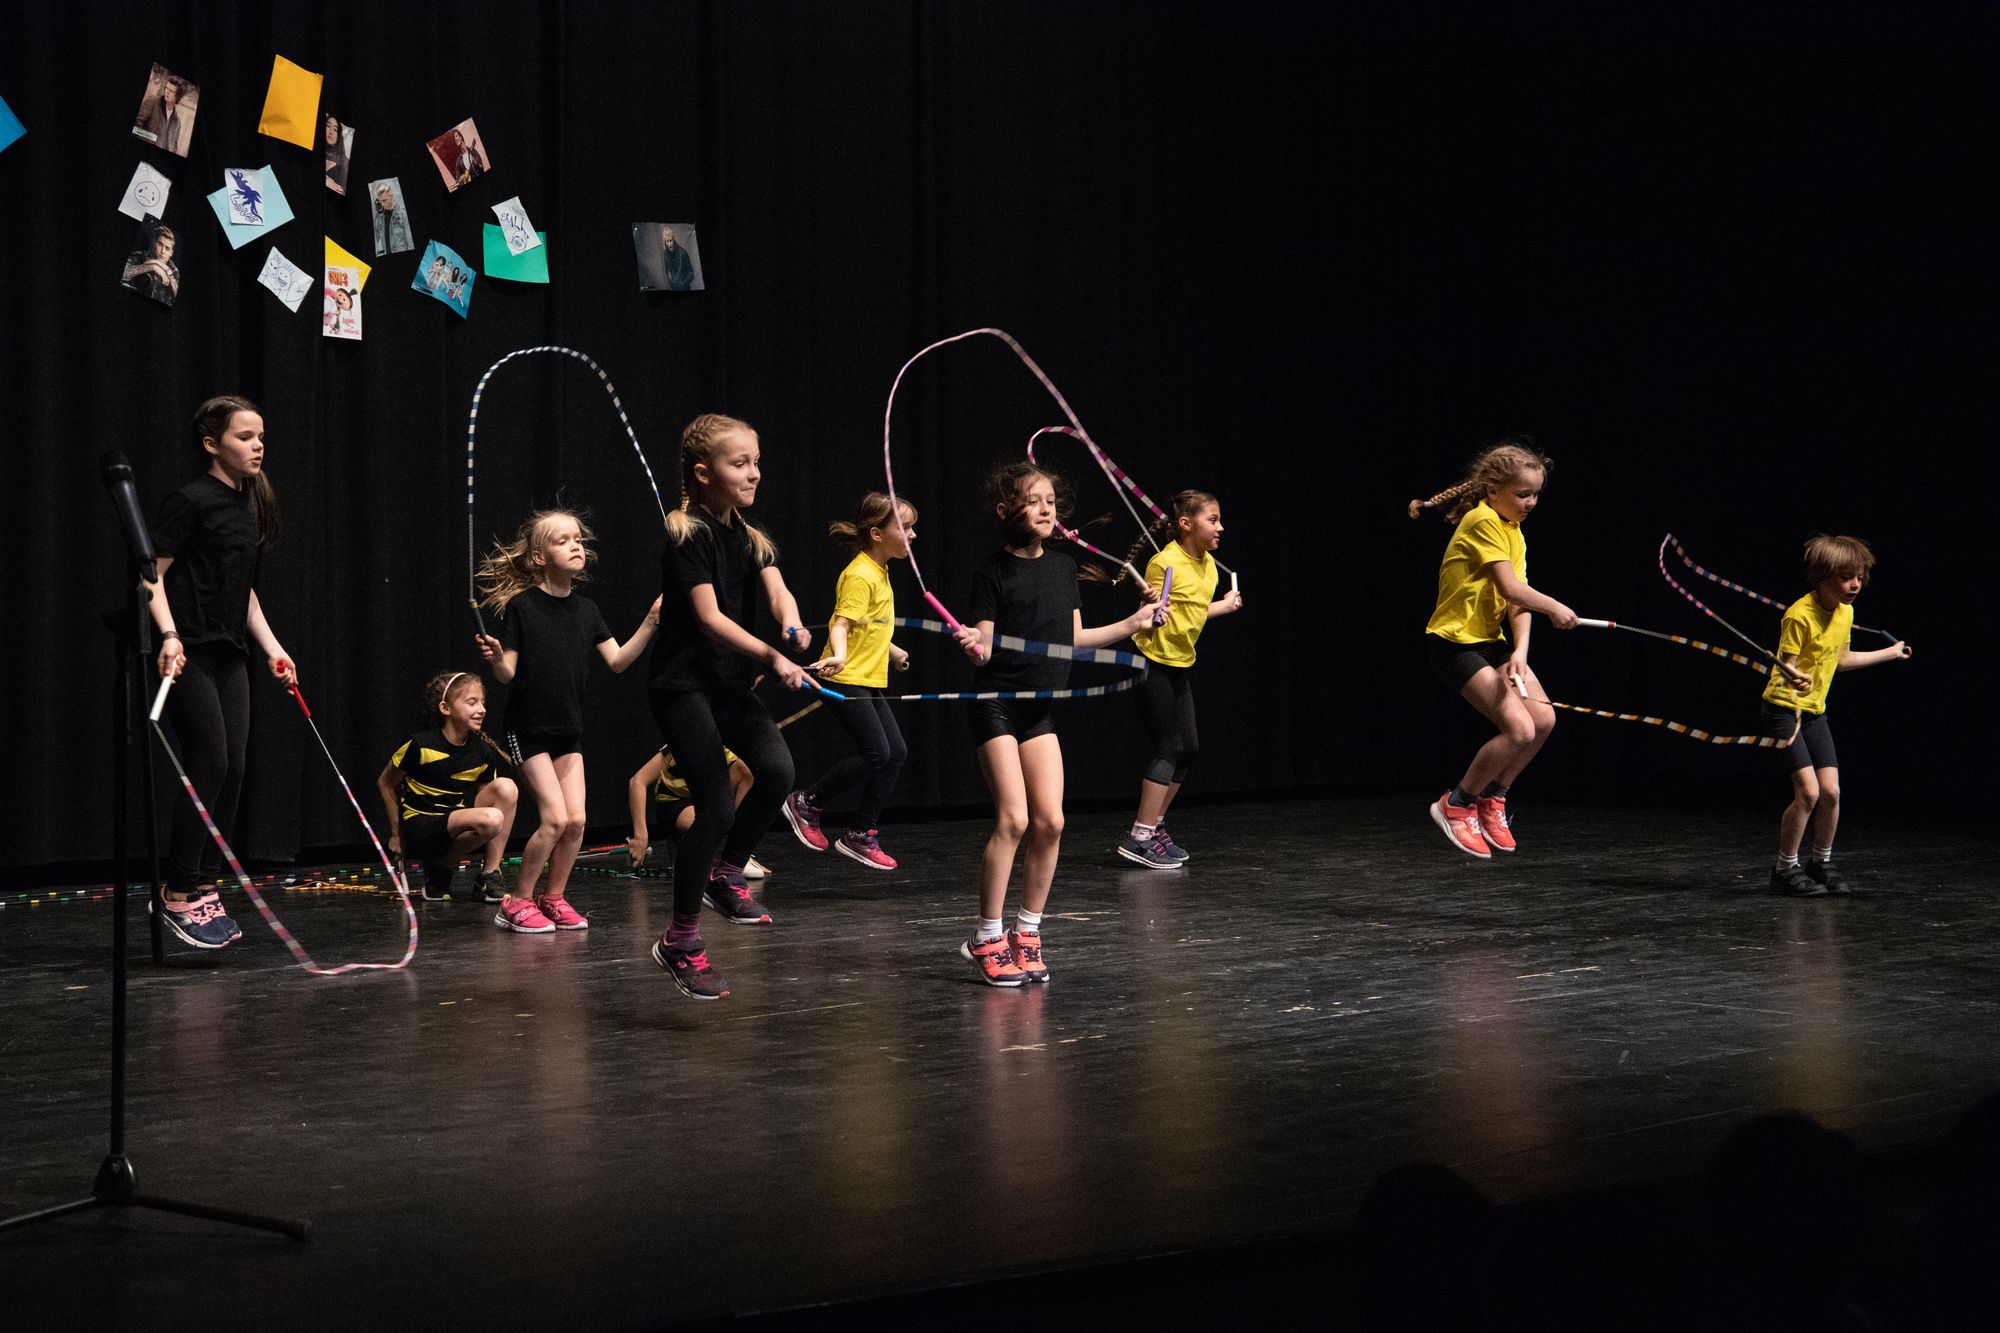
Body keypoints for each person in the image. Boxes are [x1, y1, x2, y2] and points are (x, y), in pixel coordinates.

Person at [954, 462, 1156, 985]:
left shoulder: (1063, 568)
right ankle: (986, 936)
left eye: (1050, 501)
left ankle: (1027, 932)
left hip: (1038, 708)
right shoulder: (992, 573)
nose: (1046, 509)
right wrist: (974, 645)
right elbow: (984, 650)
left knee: (1051, 822)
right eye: (1033, 501)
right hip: (997, 702)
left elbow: (1074, 640)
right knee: (1014, 820)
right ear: (1006, 510)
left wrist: (1134, 623)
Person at [646, 413, 812, 1000]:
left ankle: (726, 871)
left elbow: (778, 590)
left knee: (778, 771)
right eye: (739, 464)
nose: (754, 473)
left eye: (756, 462)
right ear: (703, 473)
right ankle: (681, 940)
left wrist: (791, 624)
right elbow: (709, 618)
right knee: (714, 807)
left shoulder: (750, 536)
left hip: (727, 686)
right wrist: (771, 655)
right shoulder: (686, 536)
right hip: (682, 687)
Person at [148, 395, 296, 948]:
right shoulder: (190, 501)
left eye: (261, 437)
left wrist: (273, 649)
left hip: (230, 652)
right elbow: (150, 576)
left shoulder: (249, 505)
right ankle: (177, 890)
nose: (258, 447)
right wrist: (169, 635)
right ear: (212, 444)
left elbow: (245, 591)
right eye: (244, 437)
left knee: (233, 769)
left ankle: (205, 886)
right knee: (208, 762)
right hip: (188, 652)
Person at [474, 511, 659, 934]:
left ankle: (553, 898)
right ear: (539, 557)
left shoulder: (587, 610)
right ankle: (517, 902)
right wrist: (497, 659)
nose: (575, 545)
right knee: (555, 819)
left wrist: (651, 621)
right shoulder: (522, 607)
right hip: (528, 731)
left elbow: (617, 661)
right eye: (563, 540)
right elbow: (507, 674)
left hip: (567, 732)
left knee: (576, 821)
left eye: (578, 539)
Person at [1410, 438, 1578, 859]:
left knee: (1543, 719)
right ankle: (1457, 803)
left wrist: (1520, 652)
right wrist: (1555, 606)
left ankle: (1494, 797)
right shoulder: (1482, 521)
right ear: (1493, 491)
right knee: (1519, 730)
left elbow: (1516, 600)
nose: (1531, 502)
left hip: (1491, 642)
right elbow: (1510, 586)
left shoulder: (1513, 533)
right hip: (1455, 643)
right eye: (1523, 494)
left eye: (1536, 494)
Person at [1758, 535, 1912, 896]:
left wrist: (1890, 653)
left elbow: (1843, 660)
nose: (1855, 585)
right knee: (1808, 792)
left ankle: (1820, 862)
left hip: (1815, 713)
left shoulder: (1846, 612)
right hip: (1783, 711)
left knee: (1831, 791)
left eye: (1859, 577)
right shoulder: (1799, 615)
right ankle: (1784, 869)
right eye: (1846, 577)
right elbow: (1784, 668)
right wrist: (1793, 677)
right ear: (1822, 576)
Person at [1110, 489, 1244, 869]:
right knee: (1169, 747)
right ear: (1186, 524)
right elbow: (1151, 613)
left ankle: (1153, 827)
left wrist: (1223, 606)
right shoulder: (1164, 563)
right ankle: (1138, 837)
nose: (1220, 527)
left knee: (1190, 749)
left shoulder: (1209, 566)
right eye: (1212, 520)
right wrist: (1151, 605)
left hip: (1179, 663)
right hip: (1149, 661)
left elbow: (1192, 611)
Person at [783, 493, 915, 870]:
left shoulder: (879, 572)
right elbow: (840, 624)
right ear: (877, 533)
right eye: (905, 527)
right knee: (877, 753)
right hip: (845, 676)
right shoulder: (860, 575)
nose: (912, 535)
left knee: (896, 753)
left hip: (866, 676)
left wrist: (893, 650)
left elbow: (866, 627)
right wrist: (839, 655)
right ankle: (806, 802)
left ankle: (861, 832)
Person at [376, 672, 518, 903]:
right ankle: (441, 864)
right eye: (472, 702)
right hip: (422, 826)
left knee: (507, 788)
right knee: (492, 819)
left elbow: (486, 800)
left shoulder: (482, 751)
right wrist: (396, 834)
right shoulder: (420, 745)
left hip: (454, 822)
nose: (481, 709)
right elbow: (386, 782)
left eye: (482, 702)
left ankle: (488, 874)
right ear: (446, 708)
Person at [626, 742, 767, 879]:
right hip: (675, 803)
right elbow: (637, 781)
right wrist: (640, 837)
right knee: (709, 824)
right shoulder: (677, 746)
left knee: (746, 769)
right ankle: (682, 840)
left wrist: (741, 851)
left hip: (707, 802)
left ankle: (732, 856)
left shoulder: (724, 743)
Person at [120, 223, 179, 306]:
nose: (162, 251)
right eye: (160, 244)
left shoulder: (173, 269)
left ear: (171, 253)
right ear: (155, 244)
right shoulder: (140, 255)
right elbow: (123, 273)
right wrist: (152, 266)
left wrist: (169, 273)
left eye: (167, 248)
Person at [137, 75, 188, 154]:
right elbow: (136, 125)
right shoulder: (152, 101)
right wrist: (151, 137)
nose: (167, 92)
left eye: (171, 91)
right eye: (167, 88)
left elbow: (174, 147)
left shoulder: (177, 122)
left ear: (178, 96)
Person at [372, 181, 413, 256]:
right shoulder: (378, 217)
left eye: (384, 200)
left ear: (391, 195)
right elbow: (377, 241)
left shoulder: (402, 214)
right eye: (380, 201)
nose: (382, 204)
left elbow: (410, 241)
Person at [659, 225, 696, 292]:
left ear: (673, 239)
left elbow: (691, 273)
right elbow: (666, 272)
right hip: (673, 289)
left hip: (685, 289)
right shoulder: (665, 254)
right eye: (667, 241)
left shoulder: (683, 253)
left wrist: (682, 284)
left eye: (671, 241)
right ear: (665, 242)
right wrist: (670, 283)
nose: (669, 244)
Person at [323, 116, 350, 194]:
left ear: (339, 136)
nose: (331, 132)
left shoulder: (344, 163)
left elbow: (342, 192)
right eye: (328, 126)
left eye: (335, 130)